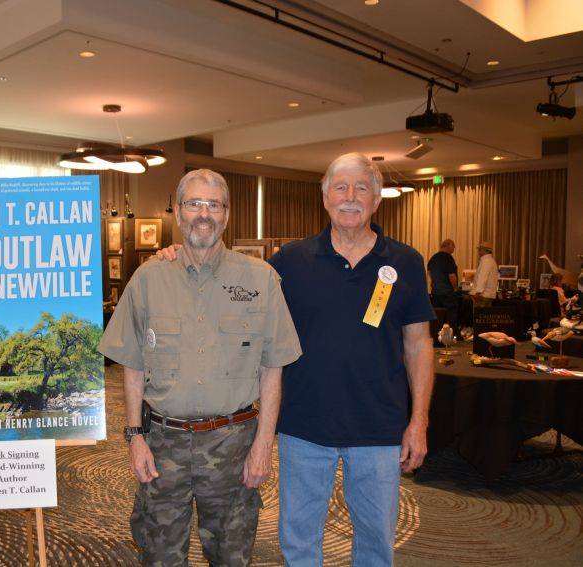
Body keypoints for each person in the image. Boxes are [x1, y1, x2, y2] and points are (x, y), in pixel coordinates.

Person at [158, 153, 435, 566]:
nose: (350, 197)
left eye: (362, 188)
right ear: (324, 198)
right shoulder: (291, 261)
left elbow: (419, 345)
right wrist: (182, 256)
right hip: (303, 429)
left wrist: (419, 421)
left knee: (377, 545)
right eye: (340, 187)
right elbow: (232, 284)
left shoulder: (406, 262)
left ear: (377, 200)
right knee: (300, 544)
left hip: (379, 428)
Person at [98, 169, 302, 566]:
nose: (203, 213)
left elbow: (273, 369)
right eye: (193, 203)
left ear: (226, 215)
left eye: (213, 205)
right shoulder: (148, 279)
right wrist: (135, 437)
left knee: (231, 556)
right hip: (162, 446)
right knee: (159, 555)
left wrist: (263, 446)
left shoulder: (261, 280)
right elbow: (133, 368)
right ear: (177, 211)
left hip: (234, 445)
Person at [427, 239, 460, 337]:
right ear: (448, 246)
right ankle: (452, 336)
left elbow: (430, 274)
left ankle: (437, 335)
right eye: (453, 246)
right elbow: (452, 276)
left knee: (438, 315)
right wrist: (455, 288)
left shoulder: (433, 258)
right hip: (447, 292)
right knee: (450, 316)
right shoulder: (448, 258)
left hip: (436, 292)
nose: (454, 249)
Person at [471, 241, 498, 307]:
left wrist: (477, 292)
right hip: (486, 295)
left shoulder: (486, 261)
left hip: (482, 296)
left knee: (479, 316)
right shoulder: (490, 261)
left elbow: (482, 278)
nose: (478, 251)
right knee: (485, 316)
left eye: (480, 249)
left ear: (484, 250)